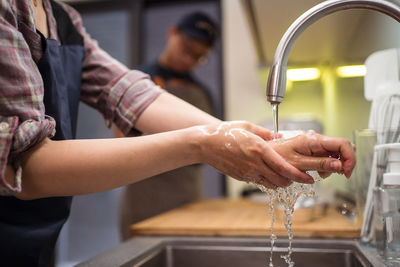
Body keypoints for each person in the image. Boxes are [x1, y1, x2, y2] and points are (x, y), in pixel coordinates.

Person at [0, 1, 356, 266]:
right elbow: (24, 166)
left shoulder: (65, 20)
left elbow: (128, 93)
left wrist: (270, 145)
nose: (191, 59)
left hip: (40, 242)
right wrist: (202, 144)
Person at [118, 11, 219, 240]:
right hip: (145, 200)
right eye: (187, 47)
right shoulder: (138, 80)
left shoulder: (203, 93)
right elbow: (121, 140)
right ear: (172, 33)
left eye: (198, 56)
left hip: (188, 199)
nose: (188, 59)